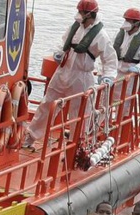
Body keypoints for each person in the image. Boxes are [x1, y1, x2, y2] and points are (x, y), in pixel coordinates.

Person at [23, 0, 117, 147]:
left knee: (80, 113)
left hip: (82, 76)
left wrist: (108, 76)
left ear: (89, 14)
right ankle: (31, 136)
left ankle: (77, 144)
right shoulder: (75, 28)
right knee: (47, 104)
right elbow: (63, 42)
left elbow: (110, 59)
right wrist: (58, 52)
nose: (78, 14)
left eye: (81, 12)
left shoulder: (101, 36)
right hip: (63, 70)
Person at [113, 8, 140, 79]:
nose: (125, 23)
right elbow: (108, 54)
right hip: (115, 73)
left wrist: (138, 69)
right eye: (125, 20)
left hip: (130, 77)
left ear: (137, 23)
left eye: (128, 21)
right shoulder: (119, 35)